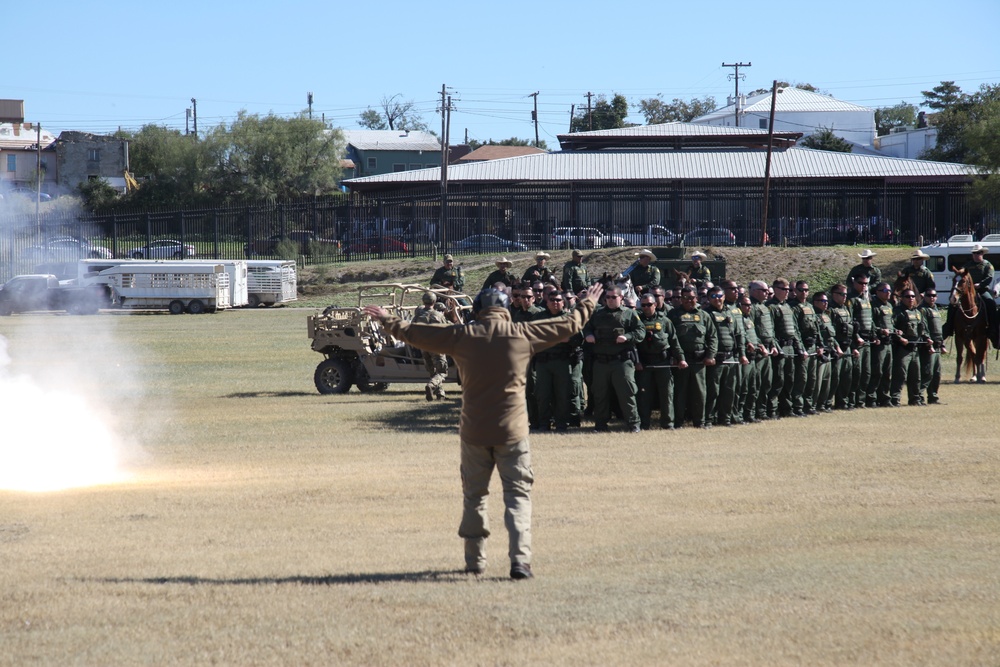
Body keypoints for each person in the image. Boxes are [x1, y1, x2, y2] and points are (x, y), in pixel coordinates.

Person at [362, 282, 604, 580]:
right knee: (518, 496)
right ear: (505, 310)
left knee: (474, 497)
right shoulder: (522, 334)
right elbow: (568, 325)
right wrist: (588, 302)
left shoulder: (462, 336)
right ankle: (520, 562)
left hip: (474, 431)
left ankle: (475, 561)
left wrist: (387, 318)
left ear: (478, 309)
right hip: (513, 432)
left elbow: (415, 334)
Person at [583, 285, 645, 432]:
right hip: (601, 362)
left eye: (613, 297)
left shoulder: (629, 314)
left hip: (621, 361)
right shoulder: (597, 313)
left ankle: (633, 424)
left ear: (621, 298)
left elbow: (640, 331)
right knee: (600, 394)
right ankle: (600, 424)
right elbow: (586, 327)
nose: (610, 300)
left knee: (627, 393)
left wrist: (628, 337)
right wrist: (588, 335)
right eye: (607, 297)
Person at [668, 285, 718, 428]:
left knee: (700, 393)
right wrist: (676, 356)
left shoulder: (704, 315)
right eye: (685, 298)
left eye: (691, 298)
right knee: (679, 393)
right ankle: (678, 422)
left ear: (696, 298)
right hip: (681, 362)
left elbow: (712, 337)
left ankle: (700, 422)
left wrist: (710, 355)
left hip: (699, 361)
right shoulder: (673, 314)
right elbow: (671, 338)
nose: (688, 301)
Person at [532, 291, 583, 431]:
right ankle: (544, 423)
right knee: (543, 394)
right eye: (552, 300)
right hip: (543, 362)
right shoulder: (539, 317)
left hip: (562, 361)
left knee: (562, 394)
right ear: (547, 302)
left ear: (563, 302)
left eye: (558, 300)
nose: (555, 302)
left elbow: (580, 339)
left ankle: (561, 423)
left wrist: (568, 339)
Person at [636, 293, 685, 430]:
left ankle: (668, 424)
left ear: (655, 305)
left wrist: (681, 359)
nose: (646, 307)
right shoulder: (637, 320)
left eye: (649, 304)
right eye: (643, 305)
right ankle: (644, 424)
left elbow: (674, 342)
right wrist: (636, 362)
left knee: (667, 395)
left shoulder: (665, 321)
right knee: (644, 395)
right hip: (644, 363)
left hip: (663, 362)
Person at [411, 291, 451, 400]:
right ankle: (431, 386)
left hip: (423, 347)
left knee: (432, 371)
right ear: (434, 302)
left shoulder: (418, 316)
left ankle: (440, 394)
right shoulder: (438, 315)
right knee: (442, 371)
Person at [889, 289, 926, 406]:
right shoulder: (897, 312)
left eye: (912, 296)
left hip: (915, 348)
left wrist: (927, 338)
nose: (910, 299)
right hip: (902, 349)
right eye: (907, 297)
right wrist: (900, 339)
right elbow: (891, 327)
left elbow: (923, 329)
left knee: (916, 376)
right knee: (900, 375)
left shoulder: (917, 312)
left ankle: (915, 399)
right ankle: (895, 399)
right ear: (902, 298)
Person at [869, 282, 896, 407]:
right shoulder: (873, 305)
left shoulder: (889, 305)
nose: (888, 292)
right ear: (878, 292)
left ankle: (884, 398)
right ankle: (871, 398)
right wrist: (880, 330)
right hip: (878, 343)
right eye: (885, 290)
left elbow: (890, 323)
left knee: (887, 372)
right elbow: (871, 323)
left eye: (889, 290)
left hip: (888, 342)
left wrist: (895, 331)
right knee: (877, 371)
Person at [918, 288, 946, 405]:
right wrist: (928, 342)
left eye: (934, 295)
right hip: (928, 346)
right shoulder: (922, 310)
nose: (932, 297)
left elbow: (938, 329)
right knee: (927, 372)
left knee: (936, 373)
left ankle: (933, 396)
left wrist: (942, 344)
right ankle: (919, 397)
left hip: (938, 346)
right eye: (929, 295)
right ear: (924, 296)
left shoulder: (935, 309)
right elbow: (923, 327)